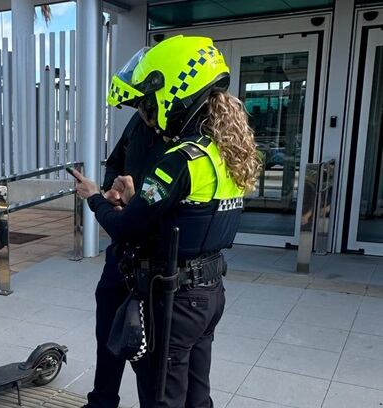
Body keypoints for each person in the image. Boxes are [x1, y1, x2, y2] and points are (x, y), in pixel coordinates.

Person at [74, 35, 260, 407]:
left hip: (169, 290)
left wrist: (94, 197)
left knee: (162, 393)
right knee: (196, 389)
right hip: (207, 290)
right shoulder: (223, 150)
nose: (144, 111)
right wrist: (132, 196)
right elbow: (186, 213)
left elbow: (129, 226)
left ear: (175, 91)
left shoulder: (180, 157)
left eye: (147, 102)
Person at [85, 108, 167, 408]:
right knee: (106, 332)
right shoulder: (137, 122)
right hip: (122, 252)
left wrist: (100, 200)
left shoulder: (184, 130)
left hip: (154, 260)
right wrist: (113, 192)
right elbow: (116, 160)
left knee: (146, 349)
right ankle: (102, 401)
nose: (144, 111)